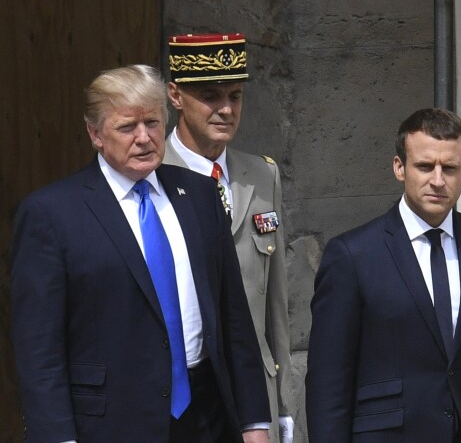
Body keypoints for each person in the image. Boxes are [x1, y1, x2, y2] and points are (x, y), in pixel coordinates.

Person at [10, 65, 270, 443]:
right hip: (110, 422)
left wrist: (254, 422)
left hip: (206, 419)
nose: (144, 138)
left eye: (152, 122)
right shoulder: (52, 214)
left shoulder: (199, 195)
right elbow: (39, 351)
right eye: (127, 127)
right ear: (95, 134)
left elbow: (234, 321)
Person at [305, 108, 461, 443]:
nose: (438, 180)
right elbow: (328, 383)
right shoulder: (353, 255)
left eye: (449, 168)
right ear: (399, 167)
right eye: (425, 166)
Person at [164, 33, 294, 443]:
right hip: (187, 399)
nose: (226, 109)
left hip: (256, 401)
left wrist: (285, 405)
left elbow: (276, 305)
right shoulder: (150, 178)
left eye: (235, 96)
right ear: (175, 95)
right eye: (210, 95)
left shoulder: (261, 174)